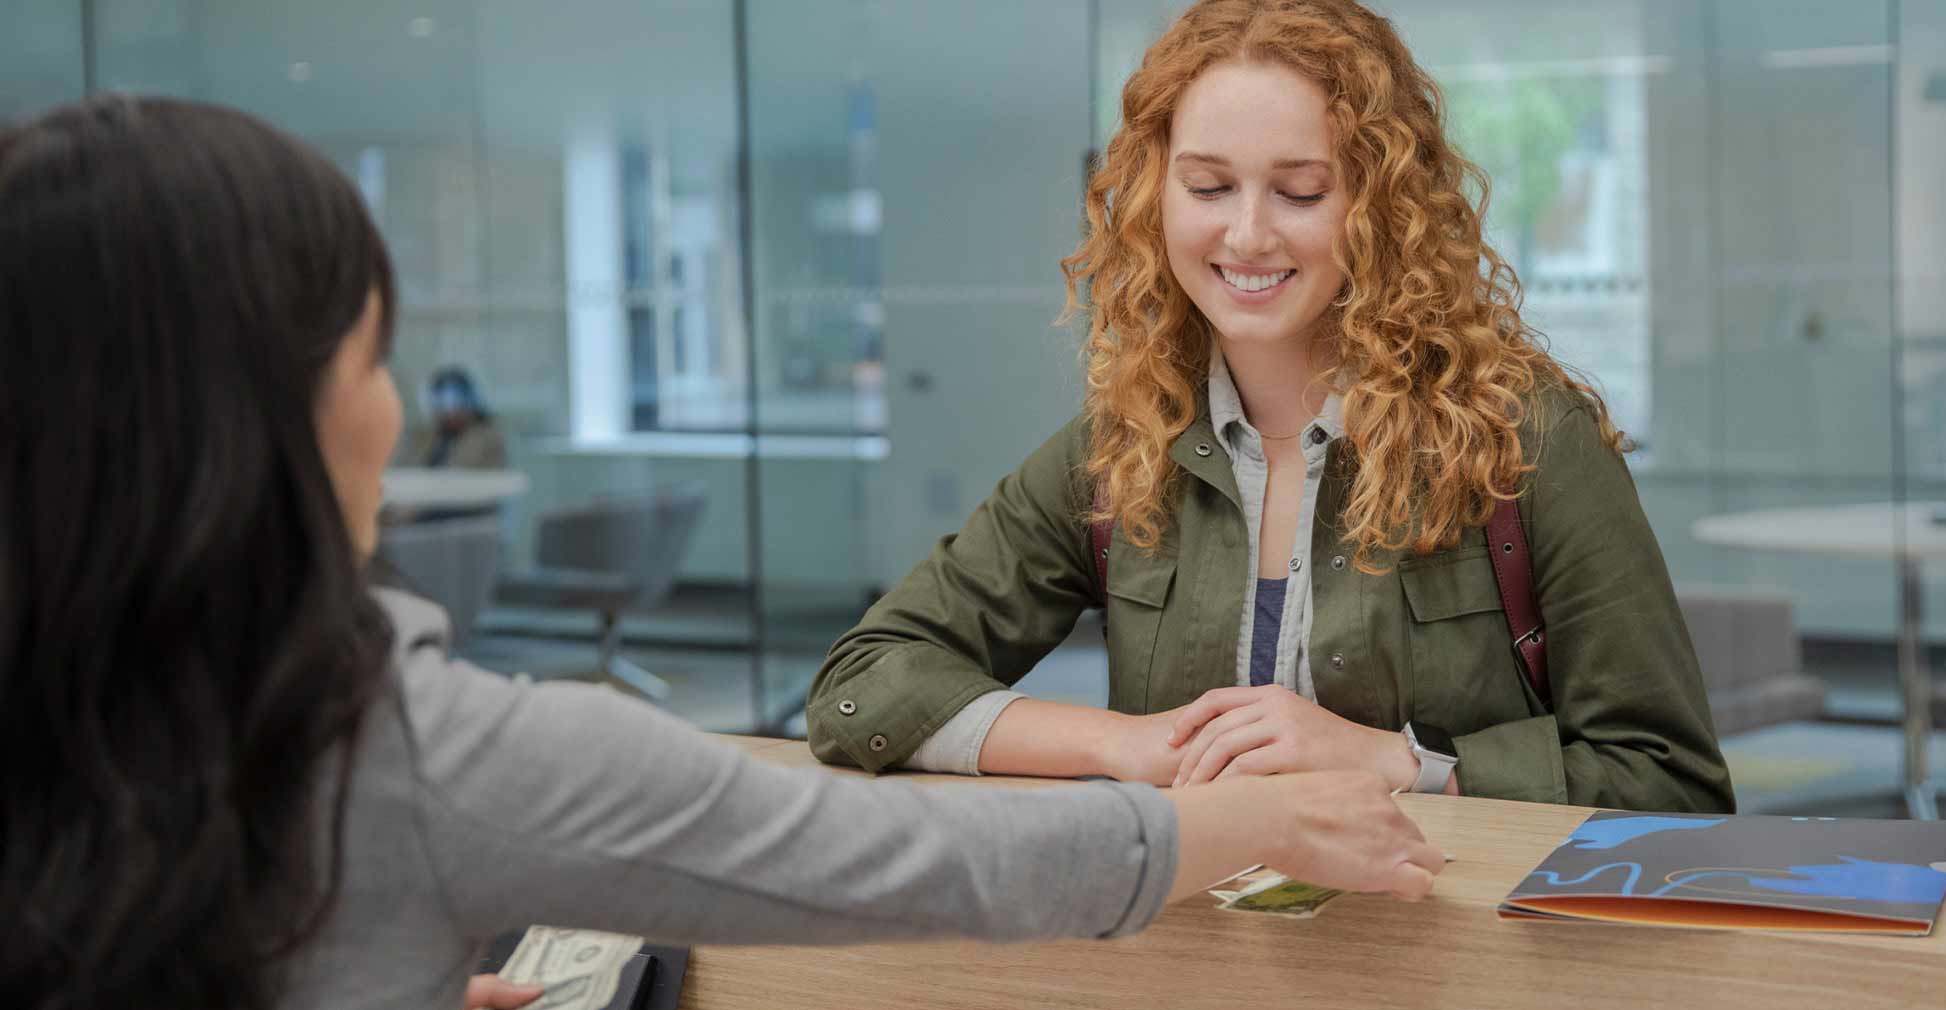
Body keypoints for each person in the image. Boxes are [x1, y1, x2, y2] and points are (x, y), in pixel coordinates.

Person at [0, 95, 1442, 1010]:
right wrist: (1251, 814)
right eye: (377, 355)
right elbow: (895, 847)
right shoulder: (413, 748)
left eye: (1297, 189)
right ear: (265, 417)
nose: (395, 403)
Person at [803, 0, 1731, 814]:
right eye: (1208, 187)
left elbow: (1671, 784)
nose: (1247, 234)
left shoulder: (1526, 442)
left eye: (1300, 192)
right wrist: (1126, 745)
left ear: (1383, 205)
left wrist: (1395, 764)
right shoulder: (1122, 447)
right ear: (1153, 200)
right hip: (1201, 957)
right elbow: (862, 687)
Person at [402, 366, 507, 470]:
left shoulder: (487, 437)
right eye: (440, 406)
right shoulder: (424, 436)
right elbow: (406, 470)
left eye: (455, 406)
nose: (449, 414)